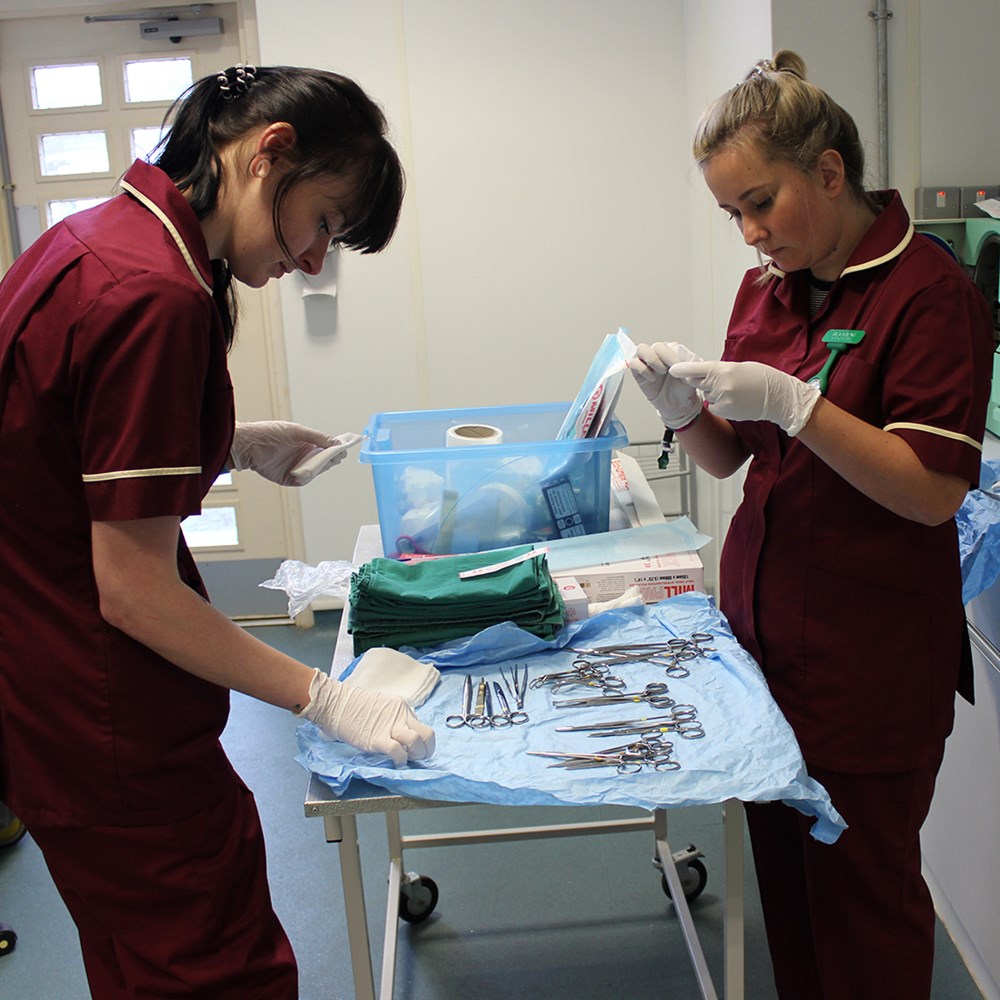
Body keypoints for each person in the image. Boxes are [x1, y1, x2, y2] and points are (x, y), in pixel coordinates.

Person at [0, 64, 434, 999]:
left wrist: (222, 443)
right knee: (217, 973)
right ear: (270, 152)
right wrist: (323, 697)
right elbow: (133, 591)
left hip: (45, 707)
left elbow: (49, 453)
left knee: (140, 971)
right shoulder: (151, 294)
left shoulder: (91, 239)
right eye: (324, 221)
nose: (313, 261)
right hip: (109, 724)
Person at [630, 51, 992, 1000]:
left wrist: (800, 406)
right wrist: (681, 408)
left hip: (866, 666)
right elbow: (732, 458)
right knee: (788, 905)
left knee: (862, 912)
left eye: (761, 203)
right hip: (763, 647)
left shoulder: (930, 295)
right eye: (733, 215)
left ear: (830, 172)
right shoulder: (768, 287)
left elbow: (932, 491)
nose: (751, 234)